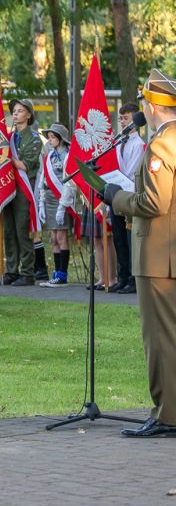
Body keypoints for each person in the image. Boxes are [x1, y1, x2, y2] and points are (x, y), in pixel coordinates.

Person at [101, 68, 176, 438]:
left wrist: (117, 198)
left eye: (145, 101)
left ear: (153, 106)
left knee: (160, 340)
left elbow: (154, 203)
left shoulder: (161, 145)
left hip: (158, 256)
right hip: (169, 253)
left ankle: (167, 416)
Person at [0, 98, 42, 286]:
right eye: (14, 111)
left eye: (20, 111)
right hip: (8, 185)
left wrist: (6, 157)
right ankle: (12, 270)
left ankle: (27, 272)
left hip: (24, 188)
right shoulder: (8, 138)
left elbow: (25, 165)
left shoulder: (33, 138)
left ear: (28, 115)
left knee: (22, 229)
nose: (15, 114)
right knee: (9, 230)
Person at [109, 102, 146, 295]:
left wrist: (117, 181)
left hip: (129, 193)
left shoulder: (138, 144)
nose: (122, 122)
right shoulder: (119, 142)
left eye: (126, 118)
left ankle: (132, 278)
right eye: (121, 118)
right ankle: (122, 276)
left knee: (129, 237)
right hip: (117, 194)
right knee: (118, 237)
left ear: (135, 120)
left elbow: (131, 171)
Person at [38, 123, 76, 287]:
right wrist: (41, 202)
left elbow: (69, 183)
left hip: (61, 198)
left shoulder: (67, 156)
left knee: (61, 237)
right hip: (49, 198)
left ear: (61, 139)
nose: (50, 140)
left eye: (53, 137)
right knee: (53, 238)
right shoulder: (49, 156)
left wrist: (62, 206)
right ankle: (56, 272)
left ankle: (62, 274)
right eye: (49, 137)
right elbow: (43, 179)